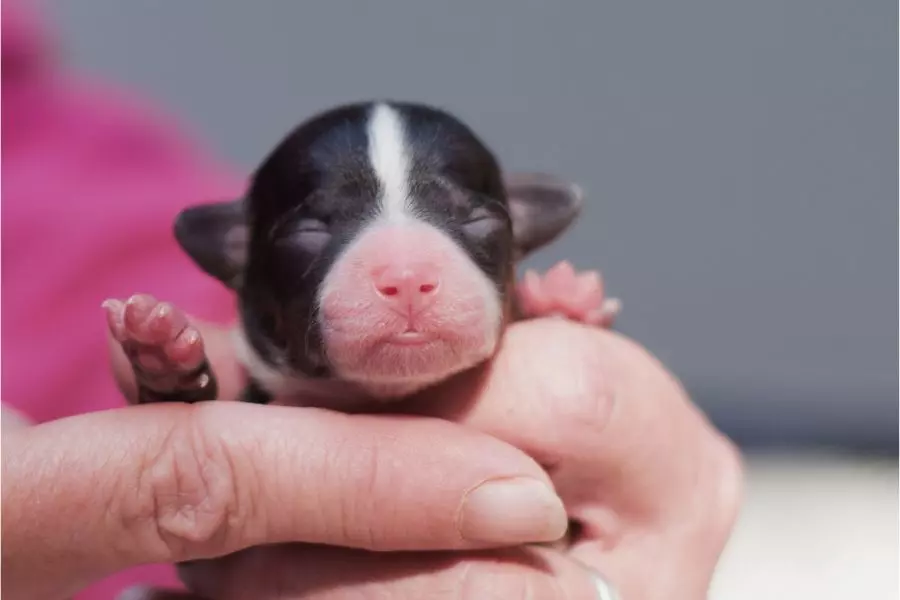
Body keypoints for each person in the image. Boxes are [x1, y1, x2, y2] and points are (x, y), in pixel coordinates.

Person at [0, 2, 743, 598]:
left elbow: (124, 287)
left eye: (471, 221)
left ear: (526, 230)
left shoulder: (79, 171)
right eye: (315, 232)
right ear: (237, 250)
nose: (406, 274)